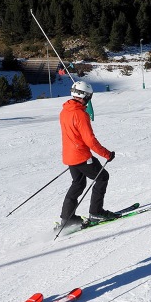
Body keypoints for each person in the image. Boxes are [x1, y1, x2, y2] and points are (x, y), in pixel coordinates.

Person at [59, 81, 117, 229]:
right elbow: (89, 140)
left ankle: (67, 218)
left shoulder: (65, 111)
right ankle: (96, 212)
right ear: (84, 96)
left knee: (78, 184)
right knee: (102, 177)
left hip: (69, 156)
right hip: (81, 156)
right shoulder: (80, 114)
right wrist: (107, 154)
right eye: (89, 96)